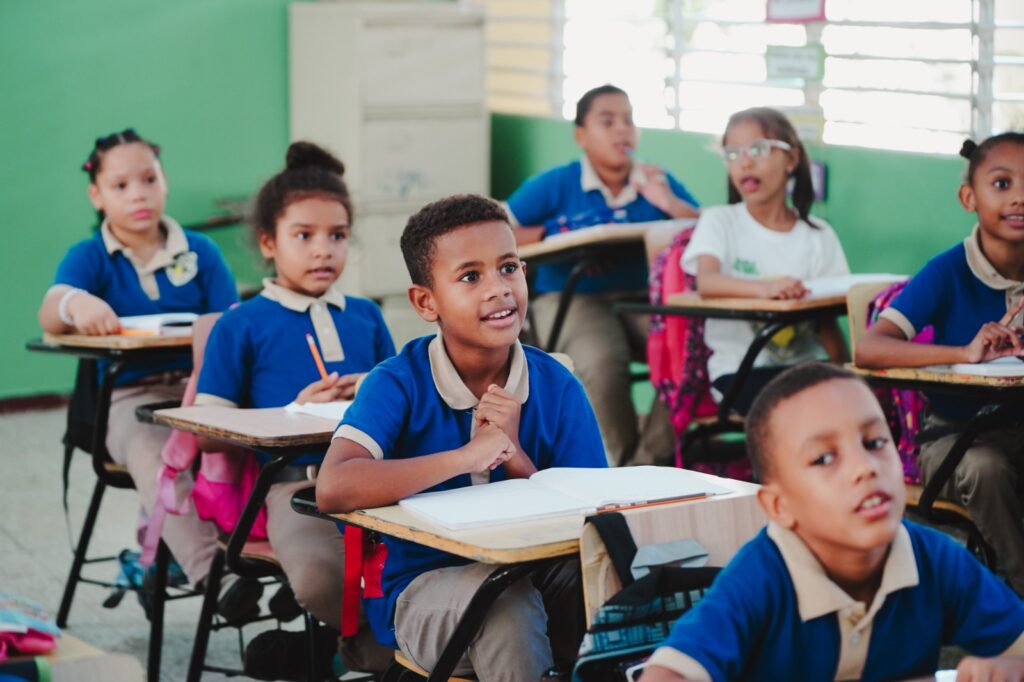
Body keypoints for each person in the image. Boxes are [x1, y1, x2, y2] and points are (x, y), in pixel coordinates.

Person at [317, 194, 607, 680]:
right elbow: (333, 486)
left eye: (509, 267)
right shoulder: (398, 381)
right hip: (426, 591)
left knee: (617, 581)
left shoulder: (556, 383)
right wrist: (464, 456)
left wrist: (515, 459)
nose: (499, 289)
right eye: (471, 277)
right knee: (505, 604)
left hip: (536, 574)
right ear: (425, 302)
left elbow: (596, 522)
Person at [641, 362, 1024, 682]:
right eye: (824, 459)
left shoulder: (936, 561)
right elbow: (666, 673)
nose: (864, 468)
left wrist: (1006, 670)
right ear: (779, 505)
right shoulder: (761, 578)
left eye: (874, 442)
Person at [194, 142, 395, 677]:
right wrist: (292, 411)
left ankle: (347, 652)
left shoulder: (366, 315)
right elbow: (208, 433)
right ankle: (370, 654)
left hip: (375, 480)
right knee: (320, 579)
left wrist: (375, 390)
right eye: (303, 236)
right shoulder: (241, 323)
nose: (322, 250)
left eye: (337, 235)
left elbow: (409, 406)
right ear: (268, 242)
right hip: (291, 487)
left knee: (436, 556)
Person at [38, 128, 238, 598]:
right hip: (130, 397)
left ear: (165, 181)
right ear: (96, 195)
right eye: (120, 185)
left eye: (149, 179)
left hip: (204, 390)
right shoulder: (89, 257)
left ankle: (272, 559)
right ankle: (218, 578)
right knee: (153, 451)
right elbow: (50, 308)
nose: (139, 195)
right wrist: (74, 305)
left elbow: (232, 326)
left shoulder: (200, 252)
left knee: (252, 443)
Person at [856, 132, 1024, 596]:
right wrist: (964, 354)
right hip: (955, 444)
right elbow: (870, 349)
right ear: (969, 197)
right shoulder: (948, 271)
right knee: (987, 469)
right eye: (1003, 183)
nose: (1020, 198)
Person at [504, 84, 700, 466]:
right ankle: (624, 467)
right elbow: (498, 228)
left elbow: (711, 232)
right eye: (607, 121)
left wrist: (667, 203)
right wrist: (556, 233)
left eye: (628, 120)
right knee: (602, 361)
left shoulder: (654, 181)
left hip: (640, 299)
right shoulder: (559, 182)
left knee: (688, 354)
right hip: (571, 297)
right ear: (581, 135)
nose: (621, 130)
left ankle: (646, 462)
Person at [681, 107, 849, 415]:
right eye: (732, 154)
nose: (744, 161)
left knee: (848, 406)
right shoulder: (720, 222)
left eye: (758, 149)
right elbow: (707, 281)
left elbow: (828, 320)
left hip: (807, 367)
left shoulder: (819, 235)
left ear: (792, 159)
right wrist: (765, 289)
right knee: (802, 417)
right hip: (740, 372)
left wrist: (850, 376)